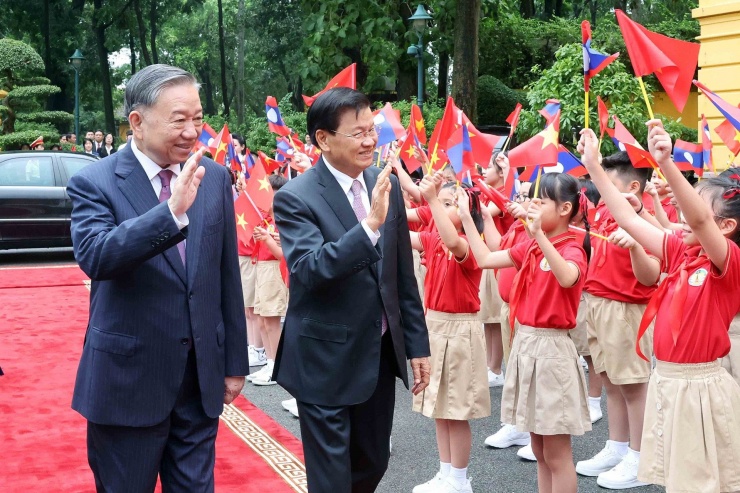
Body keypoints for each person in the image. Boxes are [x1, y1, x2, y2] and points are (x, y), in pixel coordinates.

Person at [66, 64, 249, 492]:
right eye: (179, 119)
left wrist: (234, 362)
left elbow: (225, 276)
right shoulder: (95, 181)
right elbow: (97, 256)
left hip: (198, 382)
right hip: (128, 385)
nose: (192, 131)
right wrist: (170, 214)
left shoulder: (215, 177)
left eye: (198, 119)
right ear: (137, 121)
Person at [272, 87, 431, 493]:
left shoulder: (383, 183)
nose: (368, 141)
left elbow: (400, 278)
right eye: (356, 133)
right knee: (331, 478)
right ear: (323, 139)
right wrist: (369, 227)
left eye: (370, 130)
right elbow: (310, 269)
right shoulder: (296, 197)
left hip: (376, 354)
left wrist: (416, 345)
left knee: (373, 462)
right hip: (323, 358)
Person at [579, 124, 740, 493]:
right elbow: (628, 220)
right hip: (667, 381)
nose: (681, 215)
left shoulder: (728, 262)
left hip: (699, 388)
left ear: (727, 226)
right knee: (678, 481)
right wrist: (594, 168)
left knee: (703, 482)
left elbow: (698, 219)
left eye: (696, 205)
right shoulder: (683, 252)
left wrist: (666, 163)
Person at [462, 172, 593, 493]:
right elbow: (486, 258)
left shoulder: (571, 248)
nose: (532, 207)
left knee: (557, 453)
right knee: (539, 448)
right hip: (525, 344)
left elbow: (567, 277)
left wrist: (539, 237)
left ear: (564, 209)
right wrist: (468, 217)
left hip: (553, 352)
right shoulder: (532, 245)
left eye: (540, 201)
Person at [575, 152, 661, 490]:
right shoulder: (605, 214)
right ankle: (618, 446)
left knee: (634, 386)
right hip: (599, 305)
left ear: (633, 187)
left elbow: (653, 273)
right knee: (611, 381)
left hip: (626, 309)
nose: (603, 193)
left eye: (609, 184)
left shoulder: (643, 222)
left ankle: (640, 458)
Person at [410, 176, 488, 493]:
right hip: (436, 325)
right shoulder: (432, 239)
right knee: (439, 408)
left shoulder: (467, 244)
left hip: (459, 330)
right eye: (440, 202)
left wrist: (430, 200)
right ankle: (445, 473)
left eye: (448, 204)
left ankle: (459, 478)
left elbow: (452, 241)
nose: (440, 208)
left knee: (456, 411)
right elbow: (402, 233)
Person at [248, 174, 288, 387]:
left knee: (271, 320)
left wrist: (266, 239)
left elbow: (283, 253)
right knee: (263, 320)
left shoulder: (282, 221)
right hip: (263, 269)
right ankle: (271, 361)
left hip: (274, 271)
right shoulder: (268, 220)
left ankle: (276, 366)